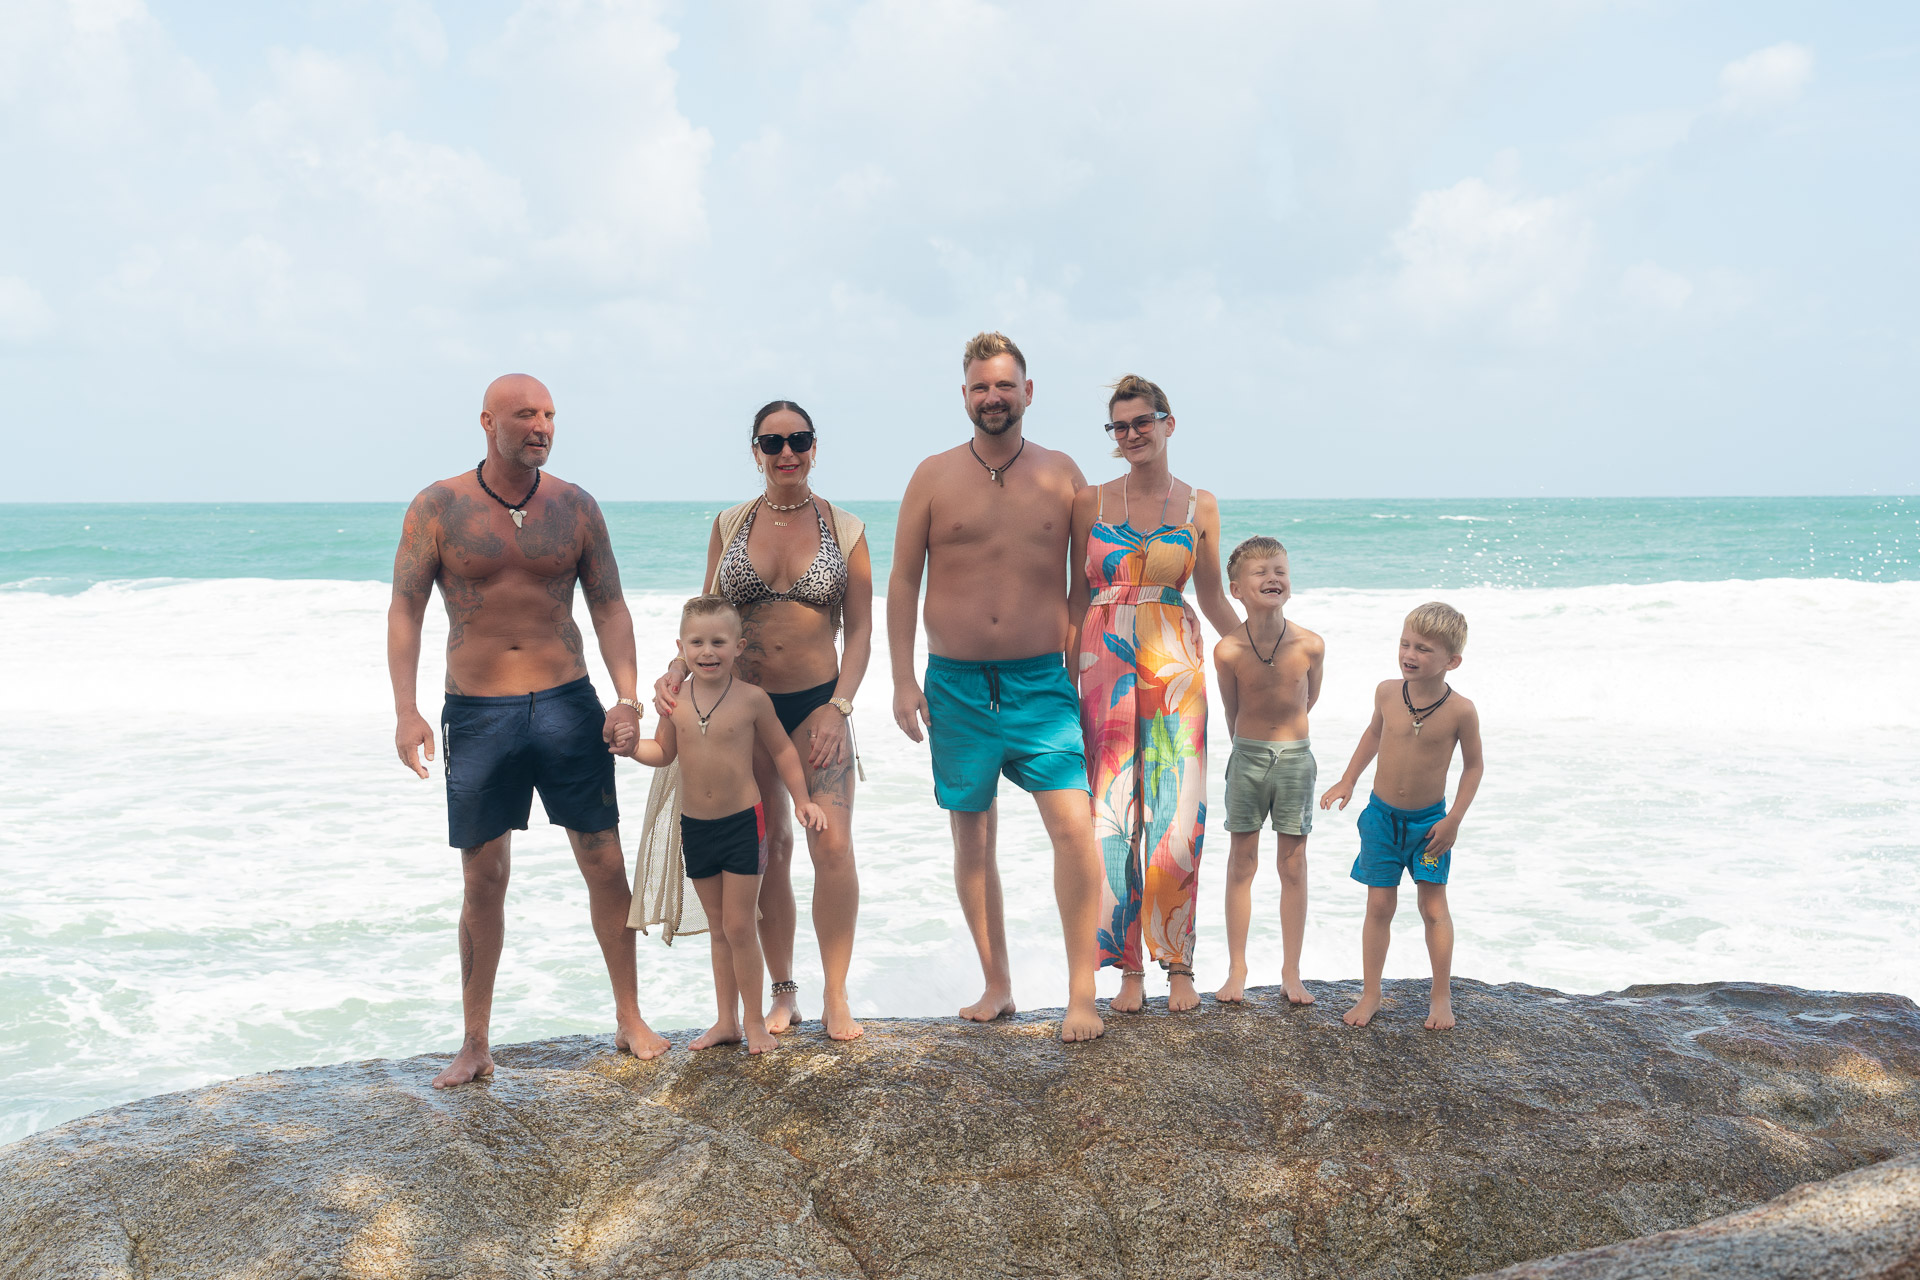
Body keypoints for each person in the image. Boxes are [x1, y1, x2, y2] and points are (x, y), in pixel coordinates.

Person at [387, 373, 668, 1089]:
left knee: (604, 863)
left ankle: (631, 1017)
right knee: (484, 877)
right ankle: (476, 1042)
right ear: (488, 422)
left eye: (549, 415)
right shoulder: (438, 506)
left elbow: (609, 607)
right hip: (478, 713)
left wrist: (627, 697)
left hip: (569, 704)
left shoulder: (575, 507)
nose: (541, 426)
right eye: (525, 415)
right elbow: (405, 610)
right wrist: (407, 710)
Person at [888, 331, 1106, 1043]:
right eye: (981, 386)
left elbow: (1088, 580)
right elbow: (902, 580)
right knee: (972, 839)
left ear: (1028, 392)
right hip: (953, 685)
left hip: (1040, 683)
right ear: (964, 395)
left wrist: (1076, 658)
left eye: (1005, 385)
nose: (993, 397)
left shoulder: (1064, 475)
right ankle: (998, 984)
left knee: (1074, 829)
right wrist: (899, 678)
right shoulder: (931, 476)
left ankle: (1082, 994)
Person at [647, 401, 870, 1041]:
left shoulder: (846, 530)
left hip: (814, 707)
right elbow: (708, 616)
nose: (786, 452)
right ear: (755, 451)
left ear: (815, 446)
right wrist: (675, 668)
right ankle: (783, 991)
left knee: (832, 844)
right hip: (739, 707)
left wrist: (840, 706)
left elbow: (860, 634)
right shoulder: (731, 523)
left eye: (798, 440)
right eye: (772, 443)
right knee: (766, 851)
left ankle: (837, 993)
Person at [1066, 375, 1241, 1014]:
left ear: (1169, 422)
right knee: (1109, 815)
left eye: (1143, 421)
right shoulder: (1090, 501)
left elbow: (1214, 597)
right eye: (1120, 426)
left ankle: (1179, 961)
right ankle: (1125, 968)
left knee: (1175, 812)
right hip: (1102, 664)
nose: (1132, 434)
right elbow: (1075, 597)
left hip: (1175, 666)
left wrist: (1257, 655)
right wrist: (1066, 679)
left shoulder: (1201, 505)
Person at [623, 596, 827, 1055]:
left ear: (739, 645)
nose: (707, 651)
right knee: (718, 929)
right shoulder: (673, 702)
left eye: (718, 641)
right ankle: (725, 1021)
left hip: (742, 825)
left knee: (739, 926)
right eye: (697, 642)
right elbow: (664, 754)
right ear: (681, 646)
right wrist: (632, 747)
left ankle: (754, 1022)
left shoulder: (753, 700)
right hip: (695, 827)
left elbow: (783, 752)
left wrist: (802, 801)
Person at [1319, 602, 1485, 1030]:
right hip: (1380, 819)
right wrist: (1347, 780)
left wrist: (1454, 821)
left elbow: (1473, 767)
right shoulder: (1387, 692)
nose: (1410, 654)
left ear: (1452, 661)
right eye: (1405, 643)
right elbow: (1375, 733)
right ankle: (1371, 993)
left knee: (1433, 907)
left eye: (1424, 649)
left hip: (1429, 826)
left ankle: (1441, 995)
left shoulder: (1461, 710)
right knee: (1378, 904)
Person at [1211, 537, 1325, 1006]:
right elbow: (1232, 711)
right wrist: (1253, 747)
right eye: (1260, 572)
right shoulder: (1228, 651)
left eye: (1279, 570)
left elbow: (1308, 700)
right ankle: (1236, 969)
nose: (1272, 577)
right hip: (1248, 757)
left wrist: (1285, 738)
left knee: (1292, 864)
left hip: (1295, 759)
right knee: (1243, 861)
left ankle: (1291, 972)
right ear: (1236, 589)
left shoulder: (1311, 645)